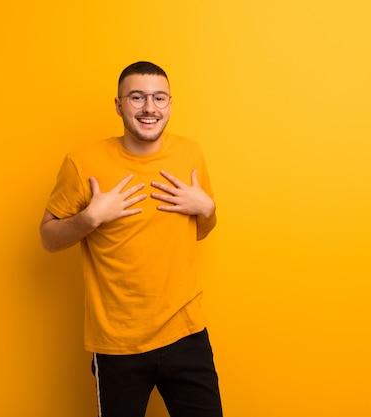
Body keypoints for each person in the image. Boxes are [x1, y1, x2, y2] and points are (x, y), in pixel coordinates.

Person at [40, 61, 223, 417]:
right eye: (137, 97)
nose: (149, 108)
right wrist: (90, 218)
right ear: (119, 105)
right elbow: (48, 237)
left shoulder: (191, 154)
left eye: (159, 98)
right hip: (117, 343)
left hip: (186, 333)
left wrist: (208, 208)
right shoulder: (82, 163)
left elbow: (204, 227)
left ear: (170, 104)